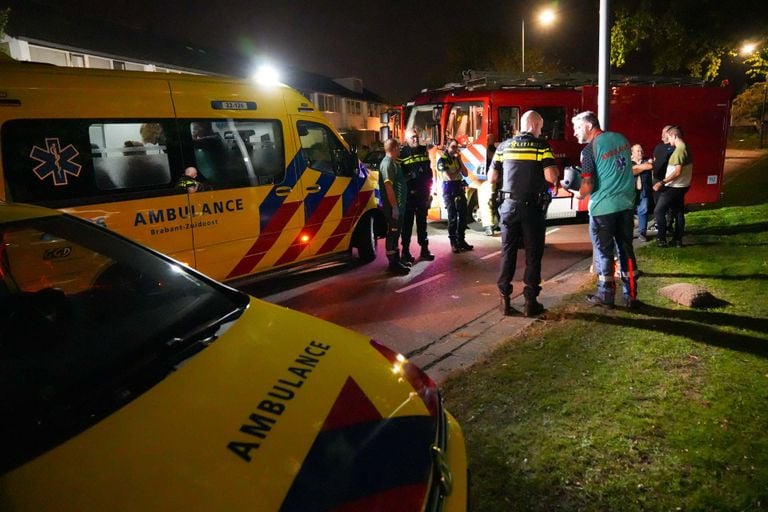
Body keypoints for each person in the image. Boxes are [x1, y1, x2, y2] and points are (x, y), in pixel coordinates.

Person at [488, 111, 559, 317]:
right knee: (532, 254)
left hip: (508, 206)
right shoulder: (541, 146)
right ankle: (530, 302)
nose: (541, 130)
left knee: (507, 252)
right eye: (541, 126)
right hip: (531, 208)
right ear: (535, 125)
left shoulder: (503, 146)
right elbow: (550, 175)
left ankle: (505, 300)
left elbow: (492, 177)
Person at [572, 111, 639, 309]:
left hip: (603, 209)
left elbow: (588, 183)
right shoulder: (621, 139)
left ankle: (606, 294)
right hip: (626, 205)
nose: (575, 133)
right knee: (626, 249)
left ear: (588, 126)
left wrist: (578, 194)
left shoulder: (588, 151)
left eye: (577, 128)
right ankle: (631, 295)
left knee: (604, 252)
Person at [399, 129, 435, 263]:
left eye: (416, 137)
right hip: (409, 195)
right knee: (407, 224)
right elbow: (401, 175)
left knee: (422, 223)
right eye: (412, 137)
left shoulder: (423, 150)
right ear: (406, 139)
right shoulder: (402, 153)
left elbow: (428, 171)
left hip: (423, 193)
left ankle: (424, 249)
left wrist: (429, 191)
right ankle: (405, 252)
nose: (415, 139)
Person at [652, 126, 692, 248]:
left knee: (658, 211)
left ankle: (661, 239)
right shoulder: (685, 148)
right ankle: (677, 240)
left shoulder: (679, 150)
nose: (668, 141)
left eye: (669, 138)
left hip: (674, 186)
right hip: (682, 185)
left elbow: (677, 171)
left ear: (674, 136)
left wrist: (662, 182)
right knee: (678, 211)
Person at [379, 138, 411, 275]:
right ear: (394, 148)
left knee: (396, 233)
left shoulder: (393, 162)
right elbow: (388, 186)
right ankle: (393, 263)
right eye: (398, 148)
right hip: (393, 206)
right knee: (393, 233)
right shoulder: (387, 164)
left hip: (399, 205)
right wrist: (394, 207)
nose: (400, 150)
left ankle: (397, 260)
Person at [437, 140, 473, 253]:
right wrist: (458, 171)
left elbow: (466, 173)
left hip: (458, 187)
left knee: (463, 214)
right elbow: (450, 176)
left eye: (456, 147)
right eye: (452, 147)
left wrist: (460, 160)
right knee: (452, 216)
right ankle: (453, 242)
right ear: (447, 147)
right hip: (449, 188)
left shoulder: (456, 159)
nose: (455, 149)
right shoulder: (442, 160)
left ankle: (461, 240)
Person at [651, 125, 675, 234]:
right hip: (657, 179)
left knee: (668, 205)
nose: (662, 134)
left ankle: (669, 225)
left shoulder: (674, 148)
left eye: (664, 132)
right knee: (657, 203)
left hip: (668, 181)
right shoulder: (658, 147)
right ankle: (659, 224)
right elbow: (655, 161)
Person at [631, 144, 654, 242]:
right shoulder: (628, 162)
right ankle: (628, 234)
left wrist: (638, 167)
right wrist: (643, 167)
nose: (640, 153)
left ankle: (642, 233)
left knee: (643, 211)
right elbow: (631, 171)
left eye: (641, 151)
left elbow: (650, 166)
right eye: (638, 151)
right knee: (629, 214)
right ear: (632, 153)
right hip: (631, 192)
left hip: (644, 191)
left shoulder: (647, 160)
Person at [481, 133, 500, 236]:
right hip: (486, 180)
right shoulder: (483, 149)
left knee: (495, 203)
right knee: (487, 203)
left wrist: (487, 148)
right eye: (487, 139)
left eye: (489, 139)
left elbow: (492, 158)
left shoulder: (495, 150)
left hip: (495, 179)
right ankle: (489, 227)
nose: (487, 140)